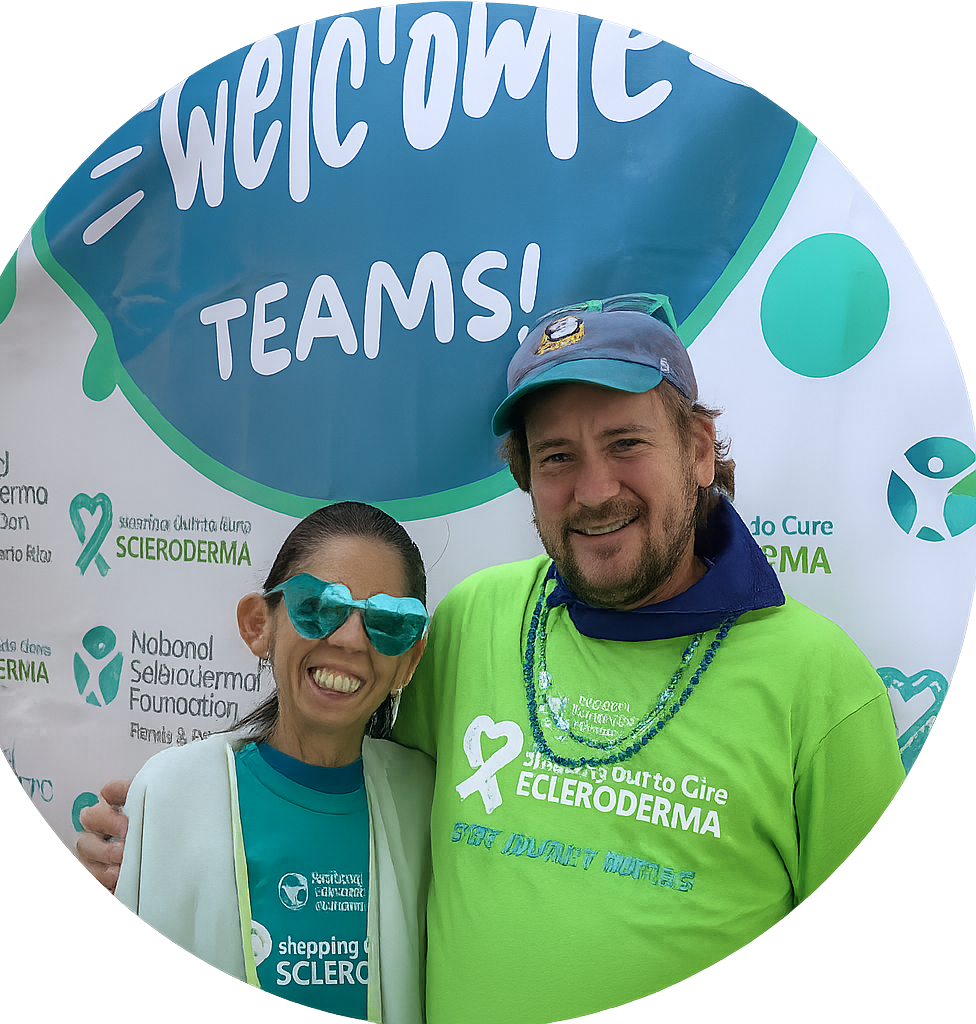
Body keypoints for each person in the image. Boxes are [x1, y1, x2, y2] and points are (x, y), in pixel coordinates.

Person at [80, 294, 905, 1023]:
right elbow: (360, 802)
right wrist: (175, 849)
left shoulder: (824, 686)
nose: (593, 490)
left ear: (697, 449)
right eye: (557, 458)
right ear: (524, 476)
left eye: (625, 443)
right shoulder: (474, 620)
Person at [109, 501, 433, 1023]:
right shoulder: (173, 792)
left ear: (408, 661)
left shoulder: (428, 805)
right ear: (260, 625)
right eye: (318, 607)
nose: (350, 639)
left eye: (388, 622)